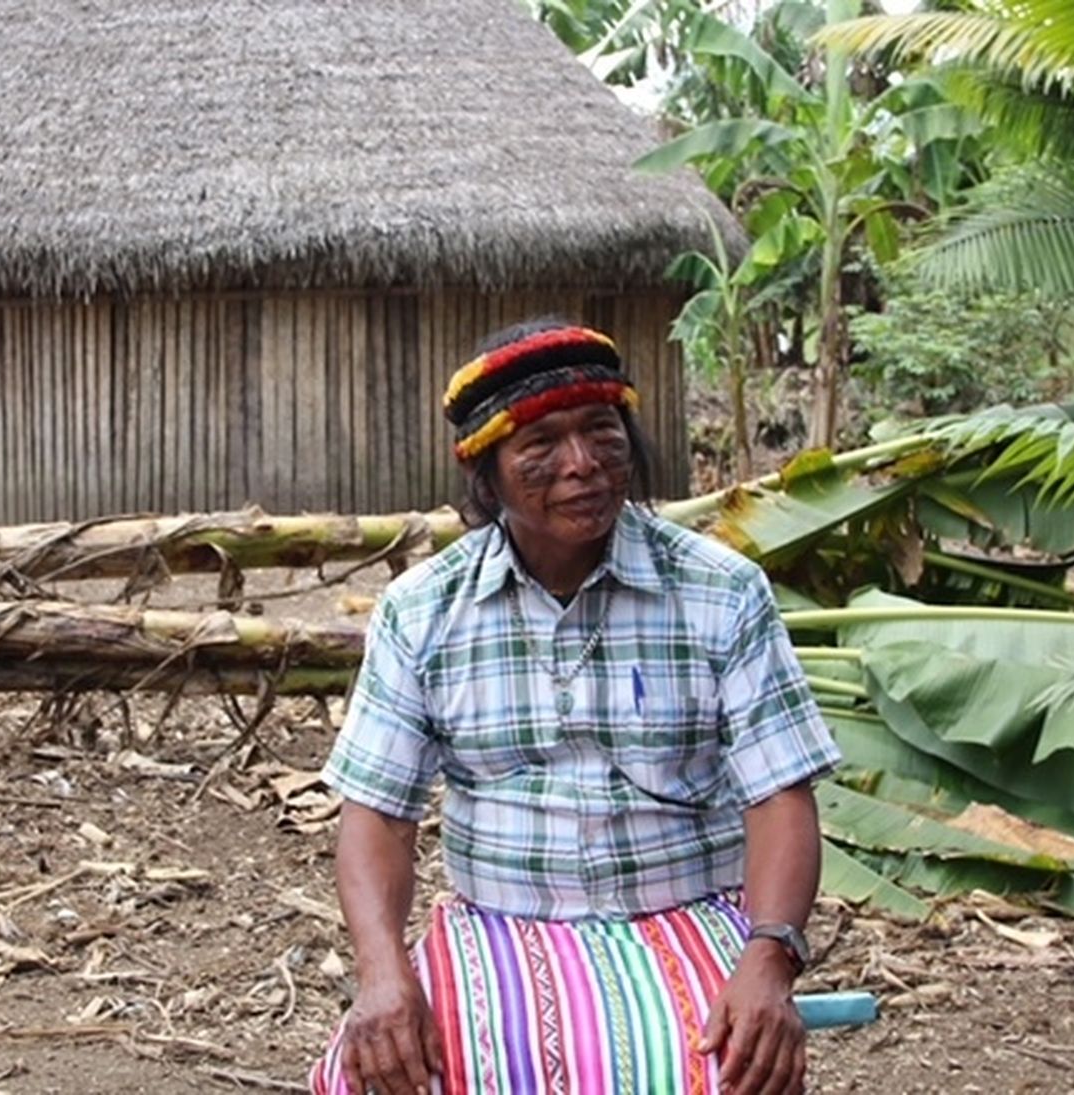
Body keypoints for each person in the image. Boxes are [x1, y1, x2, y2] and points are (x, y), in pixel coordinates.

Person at [309, 320, 841, 1095]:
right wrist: (383, 972)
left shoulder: (720, 591)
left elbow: (780, 795)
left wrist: (768, 957)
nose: (582, 463)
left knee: (731, 1072)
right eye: (541, 443)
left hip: (685, 911)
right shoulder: (422, 611)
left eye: (601, 430)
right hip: (497, 924)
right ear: (486, 472)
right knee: (382, 1072)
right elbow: (380, 816)